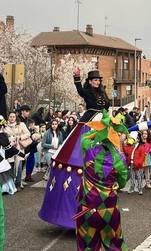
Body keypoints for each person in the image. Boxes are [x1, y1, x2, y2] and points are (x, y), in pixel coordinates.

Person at [39, 70, 110, 229]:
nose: (97, 82)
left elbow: (106, 108)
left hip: (101, 126)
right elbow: (79, 90)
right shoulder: (87, 92)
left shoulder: (103, 93)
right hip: (88, 124)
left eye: (98, 79)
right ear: (90, 81)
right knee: (78, 155)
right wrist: (76, 78)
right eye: (94, 80)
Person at [74, 111, 128, 251]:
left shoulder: (89, 149)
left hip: (86, 209)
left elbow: (85, 136)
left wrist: (100, 129)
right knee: (115, 245)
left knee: (87, 246)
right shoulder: (120, 159)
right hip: (109, 210)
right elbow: (122, 183)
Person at [5, 112, 31, 191]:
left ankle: (18, 183)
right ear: (8, 118)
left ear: (16, 117)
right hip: (10, 148)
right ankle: (11, 184)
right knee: (11, 166)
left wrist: (20, 137)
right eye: (10, 117)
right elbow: (3, 136)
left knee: (19, 166)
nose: (12, 118)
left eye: (13, 116)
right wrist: (10, 140)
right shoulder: (5, 126)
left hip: (19, 148)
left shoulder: (21, 124)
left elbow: (28, 133)